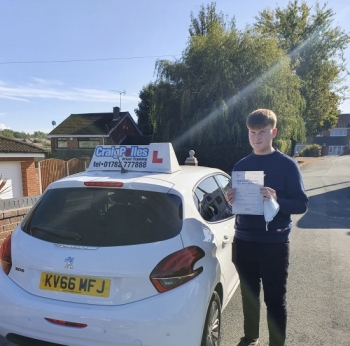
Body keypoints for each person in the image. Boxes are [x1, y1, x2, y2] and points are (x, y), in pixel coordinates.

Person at [226, 109, 308, 346]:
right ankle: (250, 337)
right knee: (249, 297)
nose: (256, 137)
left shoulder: (287, 165)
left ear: (274, 132)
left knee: (275, 300)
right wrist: (230, 198)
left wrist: (277, 200)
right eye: (252, 132)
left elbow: (302, 203)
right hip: (243, 240)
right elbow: (238, 204)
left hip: (274, 243)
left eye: (262, 132)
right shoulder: (241, 165)